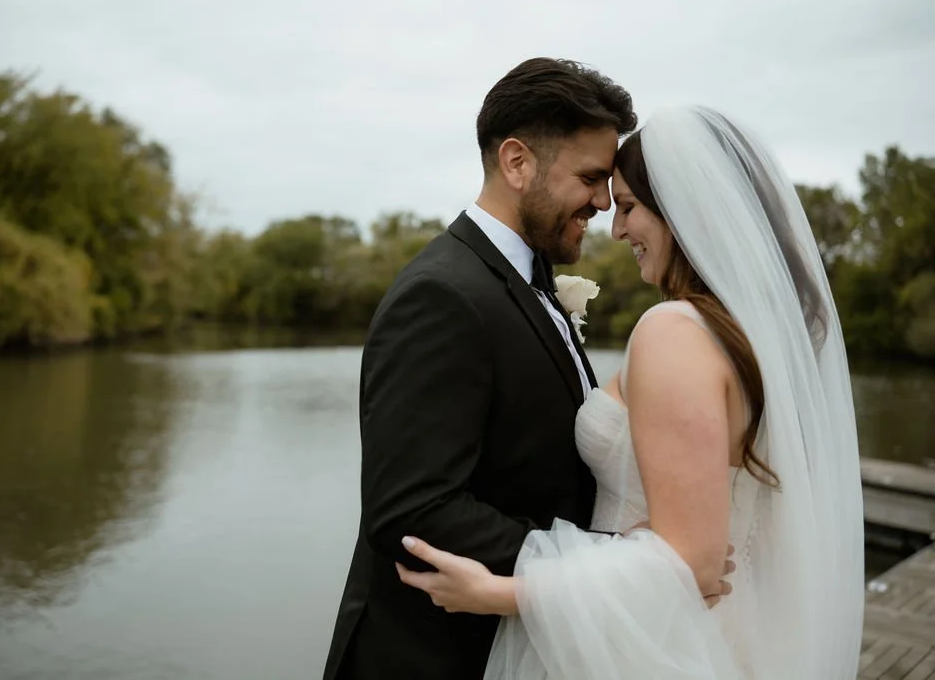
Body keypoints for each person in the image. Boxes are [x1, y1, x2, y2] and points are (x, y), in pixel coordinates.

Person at [396, 106, 866, 679]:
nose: (616, 228)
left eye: (629, 207)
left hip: (650, 644)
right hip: (714, 631)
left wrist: (503, 593)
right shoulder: (758, 339)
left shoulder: (674, 331)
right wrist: (619, 545)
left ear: (686, 213)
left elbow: (689, 565)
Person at [321, 58, 735, 680]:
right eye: (591, 178)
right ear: (517, 163)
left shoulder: (531, 279)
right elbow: (412, 506)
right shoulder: (441, 293)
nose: (604, 202)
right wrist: (610, 562)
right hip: (434, 654)